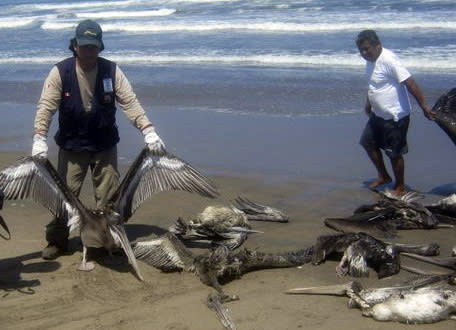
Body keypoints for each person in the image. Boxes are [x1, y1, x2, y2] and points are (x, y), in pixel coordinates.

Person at [32, 20, 165, 259]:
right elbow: (46, 107)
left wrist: (148, 128)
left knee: (109, 198)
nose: (88, 52)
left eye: (93, 47)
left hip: (104, 145)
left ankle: (108, 240)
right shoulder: (60, 72)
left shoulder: (112, 71)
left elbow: (129, 102)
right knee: (65, 197)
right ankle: (57, 241)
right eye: (84, 46)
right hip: (72, 146)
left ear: (100, 47)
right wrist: (39, 137)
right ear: (74, 46)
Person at [356, 30, 435, 197]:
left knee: (394, 153)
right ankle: (384, 176)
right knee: (367, 143)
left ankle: (400, 186)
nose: (364, 53)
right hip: (377, 115)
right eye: (361, 50)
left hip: (395, 117)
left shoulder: (389, 60)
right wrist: (368, 105)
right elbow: (374, 86)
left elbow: (409, 82)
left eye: (367, 48)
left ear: (378, 45)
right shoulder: (370, 61)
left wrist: (424, 106)